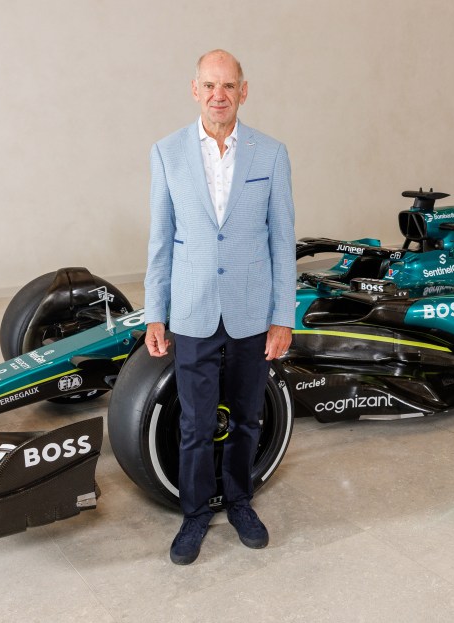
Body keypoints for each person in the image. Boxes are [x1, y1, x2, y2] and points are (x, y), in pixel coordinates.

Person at [143, 49, 296, 565]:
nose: (218, 95)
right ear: (195, 90)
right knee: (195, 422)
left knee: (248, 418)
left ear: (243, 91)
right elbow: (161, 239)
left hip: (253, 310)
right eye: (209, 86)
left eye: (228, 86)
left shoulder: (271, 154)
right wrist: (155, 313)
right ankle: (193, 514)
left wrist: (283, 316)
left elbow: (282, 240)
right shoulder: (166, 153)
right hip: (192, 308)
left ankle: (239, 502)